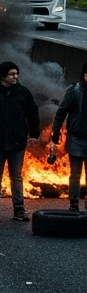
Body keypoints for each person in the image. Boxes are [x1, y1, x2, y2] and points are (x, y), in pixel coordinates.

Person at [0, 61, 40, 221]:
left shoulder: (23, 92)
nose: (16, 76)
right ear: (3, 76)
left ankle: (19, 209)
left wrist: (34, 134)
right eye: (12, 74)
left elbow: (32, 113)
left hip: (17, 142)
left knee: (16, 176)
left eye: (17, 73)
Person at [50, 61, 87, 210]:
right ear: (84, 75)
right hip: (77, 138)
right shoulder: (74, 90)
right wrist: (56, 131)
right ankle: (74, 204)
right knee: (75, 174)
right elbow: (61, 112)